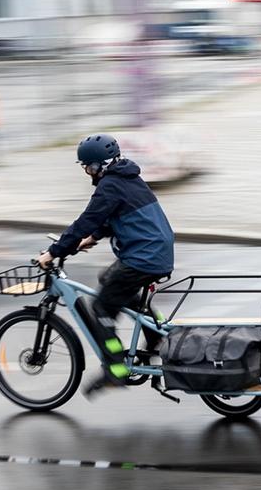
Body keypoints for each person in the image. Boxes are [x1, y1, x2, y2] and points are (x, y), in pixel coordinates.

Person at [36, 134, 176, 397]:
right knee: (109, 279)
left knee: (100, 307)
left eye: (88, 167)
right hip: (155, 252)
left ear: (99, 165)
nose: (87, 172)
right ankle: (156, 334)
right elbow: (115, 215)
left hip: (144, 257)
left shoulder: (110, 185)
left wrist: (54, 252)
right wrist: (94, 237)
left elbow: (86, 219)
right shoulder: (128, 177)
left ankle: (115, 370)